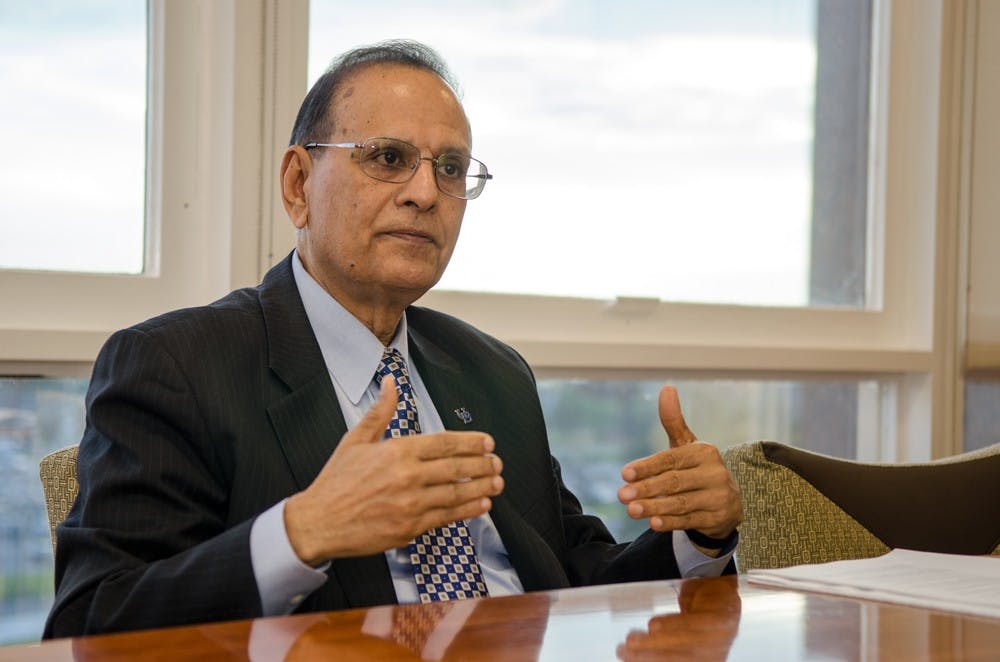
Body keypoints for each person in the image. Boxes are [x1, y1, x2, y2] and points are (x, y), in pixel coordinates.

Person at [44, 39, 742, 638]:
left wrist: (696, 537)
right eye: (387, 157)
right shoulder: (178, 366)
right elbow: (89, 622)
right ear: (297, 185)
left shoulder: (492, 371)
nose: (425, 193)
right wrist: (300, 532)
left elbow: (576, 577)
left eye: (449, 168)